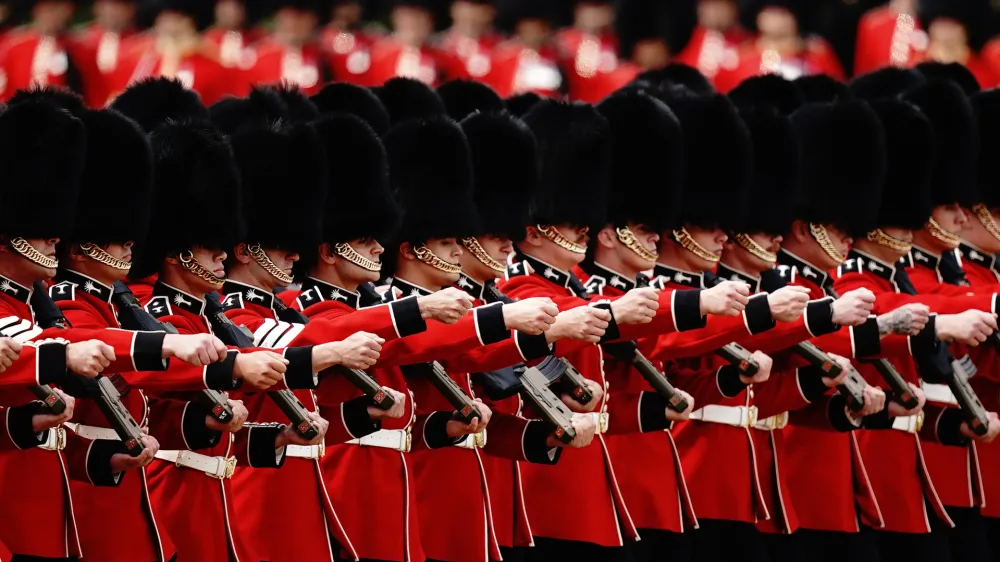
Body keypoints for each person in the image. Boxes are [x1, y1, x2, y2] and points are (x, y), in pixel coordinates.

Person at [839, 76, 1000, 562]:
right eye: (948, 206)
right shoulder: (865, 279)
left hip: (937, 465)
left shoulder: (915, 274)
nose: (956, 218)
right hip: (881, 476)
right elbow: (886, 313)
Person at [110, 0, 232, 105]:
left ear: (191, 23)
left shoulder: (210, 65)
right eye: (165, 19)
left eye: (177, 19)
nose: (170, 26)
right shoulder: (136, 59)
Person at [714, 0, 844, 93]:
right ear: (759, 16)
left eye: (783, 11)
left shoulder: (818, 53)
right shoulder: (738, 59)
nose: (776, 16)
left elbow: (838, 94)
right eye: (771, 9)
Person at [244, 0, 332, 96]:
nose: (292, 24)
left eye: (298, 19)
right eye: (287, 19)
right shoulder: (257, 58)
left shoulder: (321, 56)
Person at [0, 0, 81, 101]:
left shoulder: (73, 47)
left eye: (59, 10)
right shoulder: (14, 45)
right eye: (49, 10)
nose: (54, 16)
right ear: (37, 11)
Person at [69, 0, 138, 106]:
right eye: (106, 6)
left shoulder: (141, 45)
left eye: (117, 7)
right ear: (96, 8)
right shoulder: (79, 43)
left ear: (130, 10)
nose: (111, 12)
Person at [674, 0, 752, 88]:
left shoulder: (750, 44)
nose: (713, 13)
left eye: (719, 6)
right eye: (708, 6)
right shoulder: (684, 41)